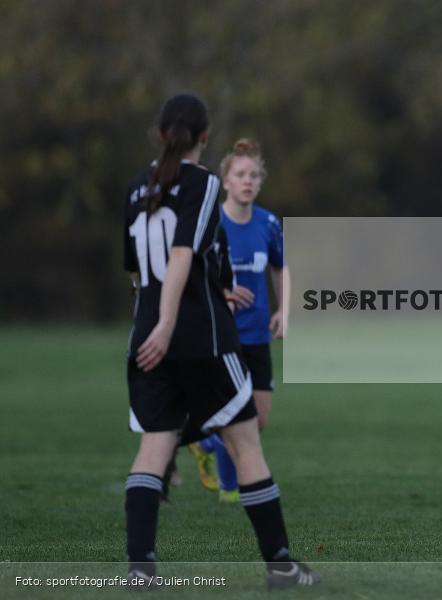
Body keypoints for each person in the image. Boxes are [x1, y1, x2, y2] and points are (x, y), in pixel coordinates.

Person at [123, 93, 318, 588]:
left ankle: (141, 571)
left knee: (153, 449)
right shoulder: (204, 183)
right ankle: (281, 568)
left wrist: (153, 326)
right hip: (199, 338)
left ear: (159, 133)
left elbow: (136, 273)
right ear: (205, 138)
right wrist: (171, 323)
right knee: (246, 444)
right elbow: (183, 253)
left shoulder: (135, 189)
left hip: (146, 338)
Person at [189, 138, 289, 503]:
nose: (248, 181)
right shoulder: (210, 222)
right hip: (222, 336)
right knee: (233, 415)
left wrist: (284, 310)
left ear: (260, 182)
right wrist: (223, 294)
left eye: (254, 176)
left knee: (258, 421)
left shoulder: (268, 223)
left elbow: (281, 268)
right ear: (226, 181)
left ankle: (205, 444)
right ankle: (231, 490)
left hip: (258, 335)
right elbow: (192, 271)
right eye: (240, 175)